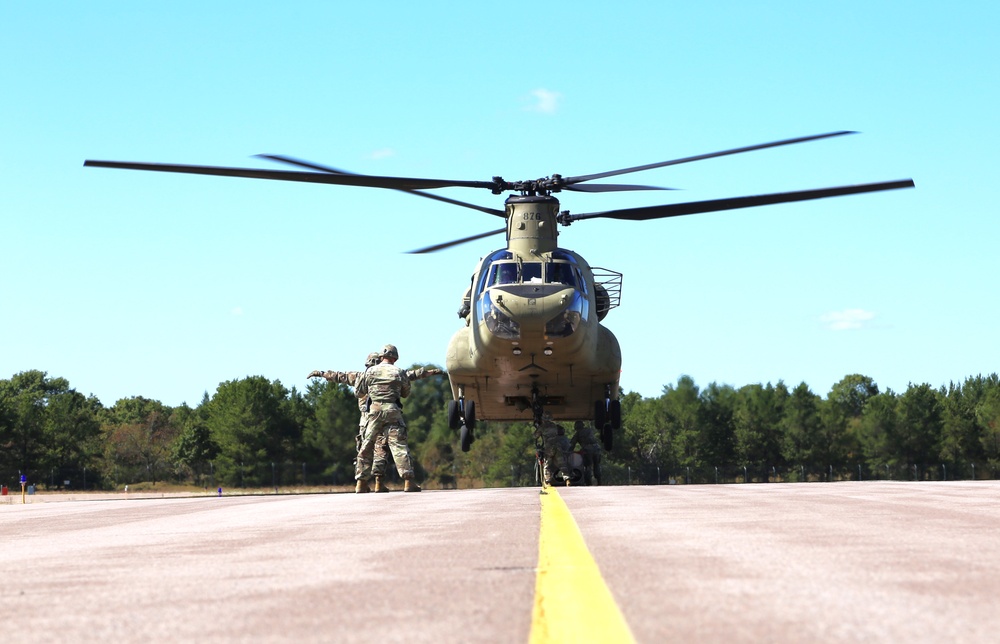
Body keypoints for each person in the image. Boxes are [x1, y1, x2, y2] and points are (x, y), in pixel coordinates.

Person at [308, 353, 443, 493]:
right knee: (385, 450)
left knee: (365, 449)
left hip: (368, 419)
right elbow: (410, 376)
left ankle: (362, 482)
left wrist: (322, 374)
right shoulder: (389, 373)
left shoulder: (362, 375)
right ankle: (383, 482)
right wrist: (429, 372)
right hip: (388, 413)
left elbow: (340, 376)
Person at [355, 344, 421, 493]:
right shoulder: (399, 372)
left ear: (381, 357)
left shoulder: (370, 371)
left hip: (374, 412)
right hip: (392, 410)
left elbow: (359, 392)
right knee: (399, 446)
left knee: (367, 445)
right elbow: (405, 393)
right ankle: (408, 481)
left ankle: (361, 483)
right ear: (395, 358)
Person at [534, 414, 572, 486]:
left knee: (547, 465)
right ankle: (567, 479)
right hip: (557, 447)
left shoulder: (542, 427)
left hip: (549, 447)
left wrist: (538, 429)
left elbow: (535, 436)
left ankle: (548, 481)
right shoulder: (554, 426)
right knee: (562, 464)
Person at [571, 420, 603, 485]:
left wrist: (569, 451)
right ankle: (599, 481)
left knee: (588, 466)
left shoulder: (578, 434)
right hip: (597, 448)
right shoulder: (589, 430)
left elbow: (572, 444)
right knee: (597, 465)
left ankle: (588, 482)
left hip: (587, 450)